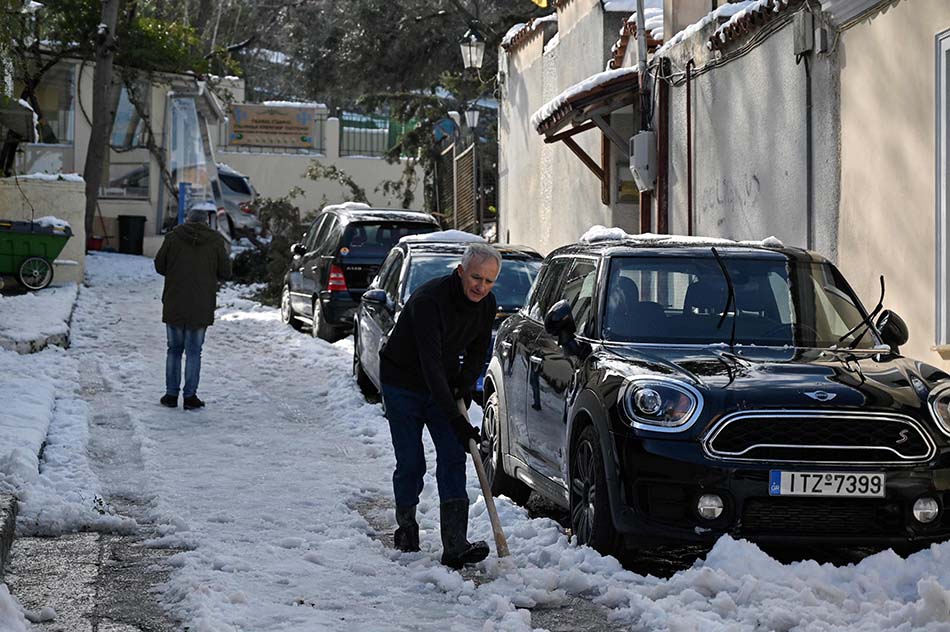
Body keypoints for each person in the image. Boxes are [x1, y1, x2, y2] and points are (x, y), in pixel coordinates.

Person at [379, 242, 501, 569]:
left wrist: (465, 380)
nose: (481, 287)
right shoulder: (430, 302)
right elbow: (429, 364)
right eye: (476, 278)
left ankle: (455, 544)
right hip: (402, 383)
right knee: (411, 461)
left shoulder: (486, 304)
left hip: (441, 384)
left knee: (451, 455)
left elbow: (477, 350)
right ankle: (406, 528)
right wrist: (458, 420)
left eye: (489, 281)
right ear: (460, 272)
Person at [154, 207, 230, 410]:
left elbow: (160, 265)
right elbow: (225, 271)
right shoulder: (215, 240)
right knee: (194, 352)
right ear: (206, 222)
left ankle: (171, 395)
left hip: (175, 301)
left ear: (187, 219)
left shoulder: (173, 237)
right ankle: (190, 397)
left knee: (174, 350)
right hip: (201, 304)